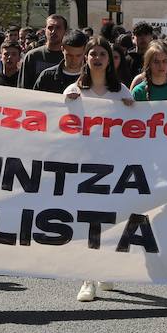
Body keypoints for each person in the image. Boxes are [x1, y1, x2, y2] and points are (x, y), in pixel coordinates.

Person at [64, 37, 135, 302]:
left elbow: (138, 129)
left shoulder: (121, 92)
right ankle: (87, 278)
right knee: (87, 222)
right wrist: (67, 103)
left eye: (102, 53)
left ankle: (104, 268)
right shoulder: (74, 90)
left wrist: (132, 110)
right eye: (92, 53)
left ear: (110, 59)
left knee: (110, 221)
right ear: (85, 58)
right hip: (84, 168)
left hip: (114, 167)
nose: (97, 57)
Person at [32, 29, 89, 94]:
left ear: (84, 52)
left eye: (78, 55)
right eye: (69, 55)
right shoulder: (47, 77)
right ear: (62, 49)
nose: (74, 60)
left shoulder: (92, 77)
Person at [21, 14, 67, 88]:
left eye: (58, 28)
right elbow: (23, 88)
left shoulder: (69, 57)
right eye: (50, 28)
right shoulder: (32, 56)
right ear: (45, 30)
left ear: (65, 31)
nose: (53, 31)